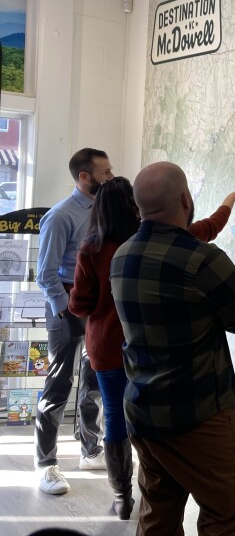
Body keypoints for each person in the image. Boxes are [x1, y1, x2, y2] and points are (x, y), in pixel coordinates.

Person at [68, 177, 235, 520]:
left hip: (109, 352)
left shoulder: (97, 250)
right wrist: (228, 201)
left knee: (116, 416)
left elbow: (80, 305)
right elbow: (208, 228)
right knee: (221, 507)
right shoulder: (172, 247)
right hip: (159, 362)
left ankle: (122, 495)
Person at [110, 162, 235, 535]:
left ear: (139, 206)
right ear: (185, 199)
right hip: (197, 415)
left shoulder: (122, 256)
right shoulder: (203, 260)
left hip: (143, 412)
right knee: (225, 509)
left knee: (157, 512)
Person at [34, 148, 114, 495]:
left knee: (94, 377)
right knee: (59, 382)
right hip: (66, 304)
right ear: (85, 176)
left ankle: (90, 449)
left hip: (94, 301)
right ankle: (46, 465)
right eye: (105, 172)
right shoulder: (60, 216)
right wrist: (65, 308)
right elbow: (45, 273)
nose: (111, 177)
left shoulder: (105, 211)